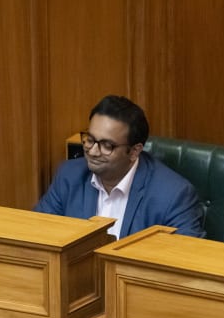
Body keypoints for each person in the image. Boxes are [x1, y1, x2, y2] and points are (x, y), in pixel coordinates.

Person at [35, 94, 205, 239]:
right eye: (90, 140)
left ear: (134, 151)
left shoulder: (173, 195)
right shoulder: (69, 175)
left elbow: (185, 264)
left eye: (107, 145)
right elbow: (37, 234)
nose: (93, 151)